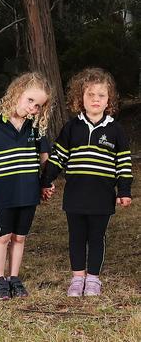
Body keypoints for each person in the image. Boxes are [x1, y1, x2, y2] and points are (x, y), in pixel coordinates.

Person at [41, 68, 133, 297]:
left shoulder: (115, 130)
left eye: (101, 95)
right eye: (90, 94)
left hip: (102, 197)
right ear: (79, 98)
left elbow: (123, 164)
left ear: (109, 99)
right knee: (77, 237)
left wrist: (124, 190)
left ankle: (93, 279)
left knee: (96, 237)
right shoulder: (72, 128)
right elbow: (57, 158)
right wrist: (44, 181)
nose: (95, 99)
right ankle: (77, 278)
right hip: (75, 196)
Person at [0, 72, 52, 300]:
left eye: (38, 105)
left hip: (28, 193)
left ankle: (14, 278)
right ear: (17, 94)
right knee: (4, 236)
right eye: (30, 100)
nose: (33, 108)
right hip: (5, 192)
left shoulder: (36, 129)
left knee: (20, 237)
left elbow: (45, 159)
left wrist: (45, 183)